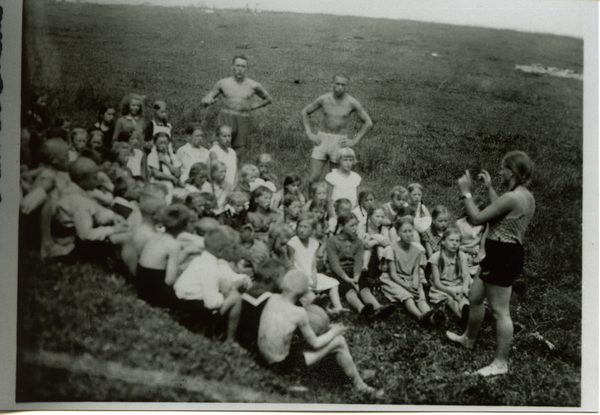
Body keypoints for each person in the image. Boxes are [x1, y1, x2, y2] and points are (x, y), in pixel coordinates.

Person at [447, 151, 536, 377]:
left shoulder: (513, 197)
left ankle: (501, 362)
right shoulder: (523, 195)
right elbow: (500, 210)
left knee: (500, 312)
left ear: (513, 172)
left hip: (503, 255)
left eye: (503, 168)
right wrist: (488, 188)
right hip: (501, 253)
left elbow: (477, 218)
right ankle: (469, 338)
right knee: (475, 296)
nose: (499, 172)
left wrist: (466, 191)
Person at [257, 269, 383, 396]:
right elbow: (315, 343)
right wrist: (335, 331)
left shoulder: (272, 298)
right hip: (282, 366)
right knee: (339, 341)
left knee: (323, 334)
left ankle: (350, 374)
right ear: (303, 293)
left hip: (264, 359)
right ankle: (360, 385)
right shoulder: (299, 313)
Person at [174, 225, 251, 342]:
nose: (231, 251)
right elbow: (212, 303)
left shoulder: (200, 260)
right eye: (229, 248)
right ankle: (230, 340)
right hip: (193, 316)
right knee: (235, 297)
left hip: (181, 306)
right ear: (220, 251)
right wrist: (225, 294)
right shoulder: (210, 267)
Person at [301, 74, 373, 184]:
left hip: (339, 142)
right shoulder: (324, 99)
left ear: (346, 86)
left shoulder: (351, 102)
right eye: (337, 84)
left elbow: (368, 122)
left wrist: (354, 140)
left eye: (343, 84)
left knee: (334, 179)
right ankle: (311, 201)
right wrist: (310, 134)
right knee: (313, 177)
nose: (340, 87)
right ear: (333, 84)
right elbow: (305, 112)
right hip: (322, 140)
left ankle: (331, 201)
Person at [202, 55, 273, 162]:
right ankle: (213, 173)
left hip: (242, 120)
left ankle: (235, 175)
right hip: (224, 118)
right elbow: (207, 98)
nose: (240, 69)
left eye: (243, 66)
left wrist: (253, 106)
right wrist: (207, 101)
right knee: (216, 149)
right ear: (233, 67)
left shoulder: (254, 85)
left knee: (239, 153)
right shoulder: (223, 83)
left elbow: (268, 99)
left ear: (247, 68)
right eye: (238, 66)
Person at [136, 204, 194, 307]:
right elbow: (169, 280)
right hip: (154, 290)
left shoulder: (155, 235)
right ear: (184, 227)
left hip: (140, 283)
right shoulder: (174, 245)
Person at [287, 212, 344, 313]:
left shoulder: (314, 243)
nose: (301, 230)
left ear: (313, 230)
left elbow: (313, 266)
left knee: (333, 284)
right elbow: (290, 266)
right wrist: (304, 280)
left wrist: (314, 279)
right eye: (300, 226)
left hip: (309, 274)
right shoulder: (293, 242)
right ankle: (324, 310)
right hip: (297, 277)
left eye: (305, 227)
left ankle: (338, 307)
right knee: (309, 295)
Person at [379, 217, 432, 324]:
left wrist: (415, 286)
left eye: (410, 231)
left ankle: (431, 316)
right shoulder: (391, 249)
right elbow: (393, 274)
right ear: (398, 233)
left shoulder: (417, 250)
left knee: (420, 298)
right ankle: (420, 316)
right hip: (394, 279)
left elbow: (416, 272)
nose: (408, 234)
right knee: (408, 297)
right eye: (404, 231)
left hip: (411, 278)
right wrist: (407, 287)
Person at [236, 258, 286, 355]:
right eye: (284, 276)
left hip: (243, 345)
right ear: (276, 277)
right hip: (261, 350)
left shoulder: (244, 295)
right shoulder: (273, 300)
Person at [428, 228, 471, 319]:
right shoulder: (435, 257)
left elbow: (466, 275)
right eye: (451, 240)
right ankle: (462, 317)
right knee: (450, 300)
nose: (454, 243)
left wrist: (464, 287)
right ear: (443, 241)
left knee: (462, 297)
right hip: (443, 288)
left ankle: (466, 311)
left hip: (458, 285)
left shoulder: (461, 256)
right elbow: (437, 283)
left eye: (457, 241)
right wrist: (450, 292)